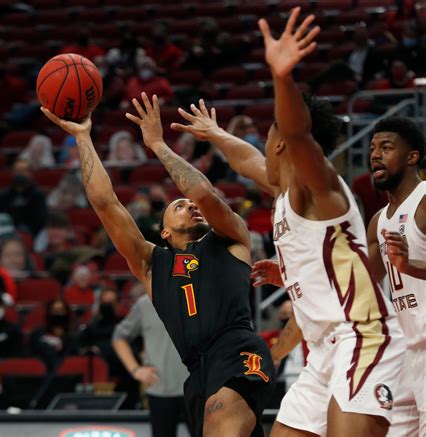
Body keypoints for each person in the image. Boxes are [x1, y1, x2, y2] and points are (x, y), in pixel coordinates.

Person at [172, 9, 405, 436]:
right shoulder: (283, 193)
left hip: (362, 338)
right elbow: (245, 160)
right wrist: (215, 133)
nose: (265, 138)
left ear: (282, 140)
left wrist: (282, 76)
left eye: (271, 129)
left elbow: (299, 134)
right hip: (321, 350)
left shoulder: (319, 189)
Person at [40, 91, 275, 436]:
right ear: (163, 231)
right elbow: (106, 205)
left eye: (189, 205)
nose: (190, 207)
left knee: (220, 413)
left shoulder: (231, 238)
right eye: (178, 206)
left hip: (237, 349)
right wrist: (83, 137)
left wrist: (158, 145)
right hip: (197, 370)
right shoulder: (153, 263)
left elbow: (204, 195)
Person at [367, 116, 425, 437]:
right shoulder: (378, 221)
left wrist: (411, 267)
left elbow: (407, 269)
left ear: (412, 157)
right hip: (406, 353)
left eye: (386, 148)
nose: (375, 154)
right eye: (373, 148)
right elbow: (363, 284)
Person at [112, 293, 192, 437]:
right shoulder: (145, 304)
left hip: (199, 389)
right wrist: (135, 370)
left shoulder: (201, 297)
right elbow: (119, 337)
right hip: (161, 388)